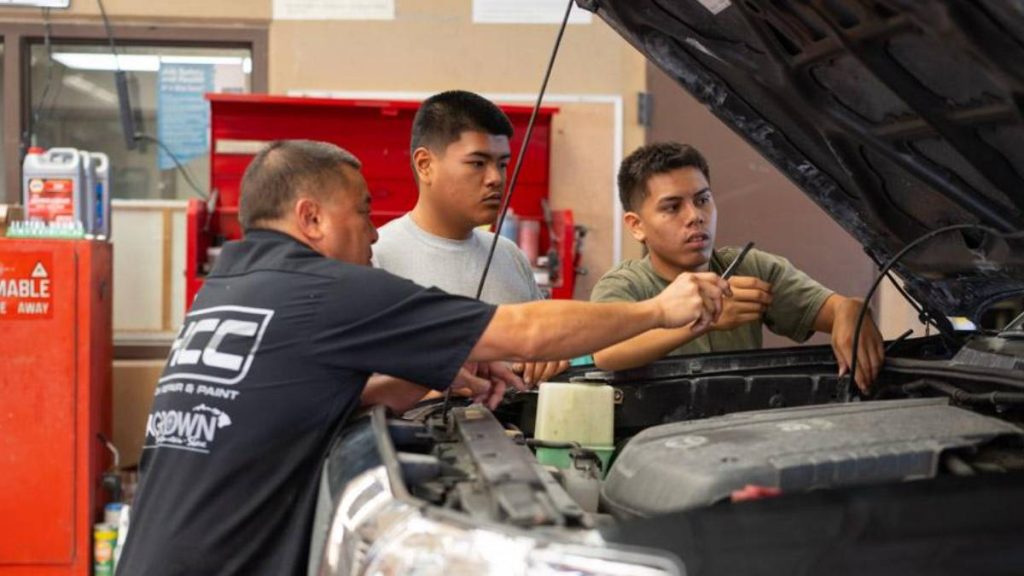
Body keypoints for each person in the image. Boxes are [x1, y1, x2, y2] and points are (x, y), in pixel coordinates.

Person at [116, 140, 728, 576]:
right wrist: (658, 311)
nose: (375, 231)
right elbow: (524, 331)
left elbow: (287, 404)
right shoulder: (326, 289)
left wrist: (424, 373)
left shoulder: (231, 285)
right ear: (310, 219)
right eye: (361, 211)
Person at [590, 142, 885, 392]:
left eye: (702, 200)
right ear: (636, 225)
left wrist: (850, 309)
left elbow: (832, 309)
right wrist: (706, 321)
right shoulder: (624, 285)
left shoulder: (748, 268)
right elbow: (607, 353)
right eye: (672, 207)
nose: (695, 216)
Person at [373, 89, 566, 386]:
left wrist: (550, 352)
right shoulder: (377, 257)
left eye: (502, 164)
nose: (496, 178)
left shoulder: (508, 255)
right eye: (478, 163)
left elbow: (546, 340)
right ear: (425, 165)